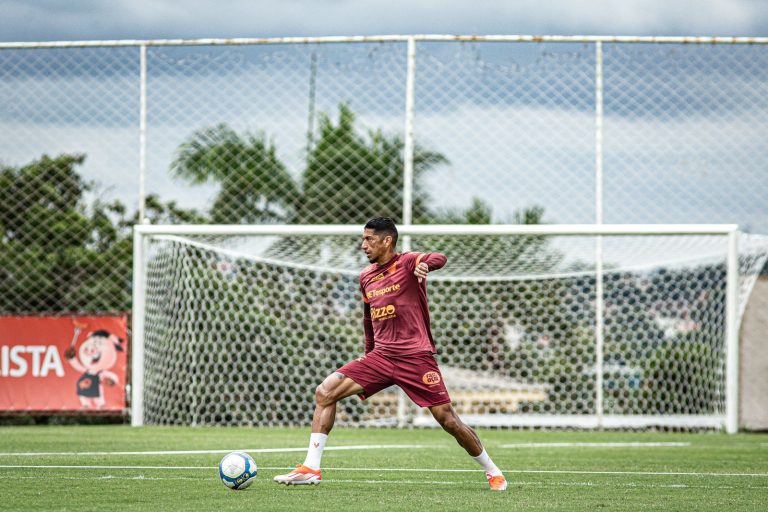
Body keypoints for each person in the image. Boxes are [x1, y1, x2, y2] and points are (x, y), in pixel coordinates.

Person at [273, 217, 507, 491]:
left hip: (416, 358)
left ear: (387, 241)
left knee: (448, 420)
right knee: (325, 392)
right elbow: (367, 318)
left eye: (369, 239)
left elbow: (439, 257)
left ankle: (493, 471)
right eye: (363, 239)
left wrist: (425, 264)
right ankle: (311, 468)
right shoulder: (366, 277)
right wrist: (369, 354)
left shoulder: (408, 262)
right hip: (381, 358)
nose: (363, 245)